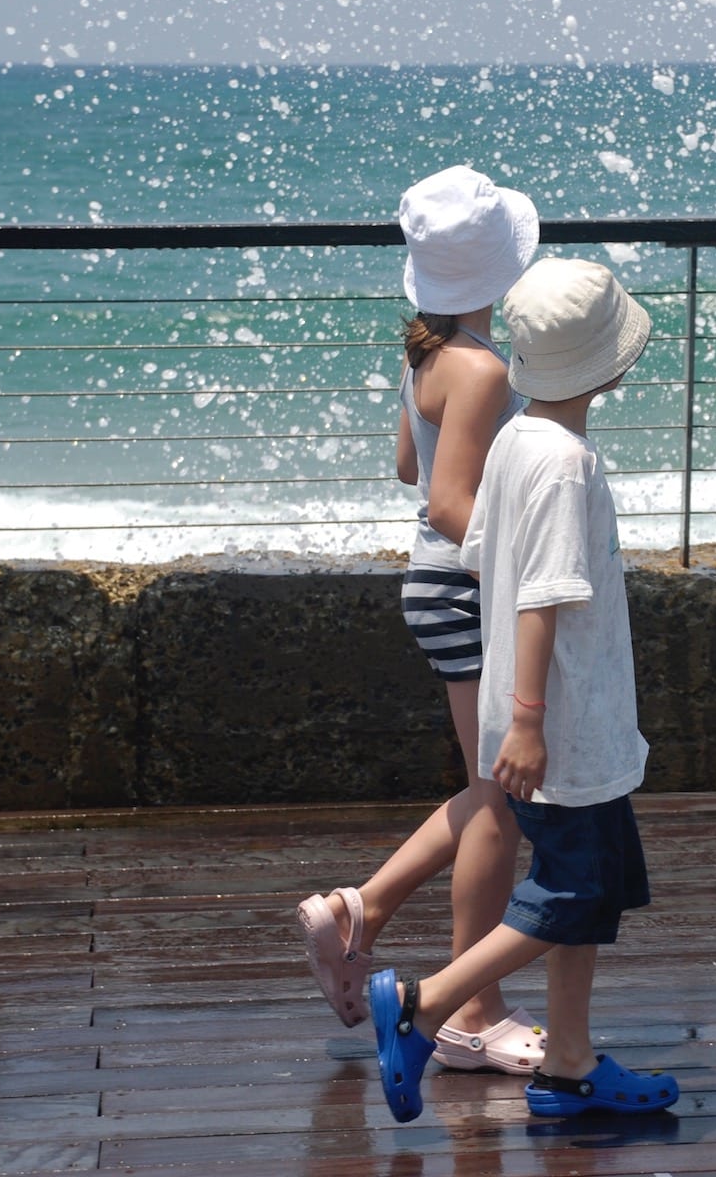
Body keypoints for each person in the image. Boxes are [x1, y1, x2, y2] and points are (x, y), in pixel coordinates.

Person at [365, 257, 681, 1123]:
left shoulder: (520, 439)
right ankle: (424, 1007)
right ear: (607, 368)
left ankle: (571, 1065)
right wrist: (532, 721)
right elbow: (540, 592)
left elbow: (482, 548)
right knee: (569, 893)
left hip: (570, 717)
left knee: (594, 887)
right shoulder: (562, 463)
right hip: (562, 722)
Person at [295, 165, 546, 1077]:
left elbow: (408, 464)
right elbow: (447, 504)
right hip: (467, 586)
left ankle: (362, 910)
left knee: (490, 795)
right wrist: (532, 564)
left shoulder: (426, 354)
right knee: (500, 807)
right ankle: (471, 1009)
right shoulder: (479, 365)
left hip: (435, 590)